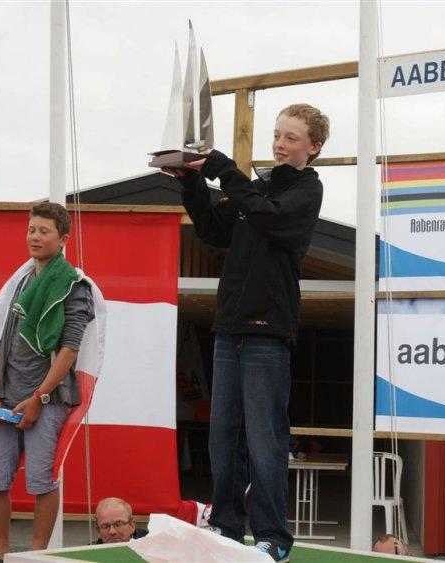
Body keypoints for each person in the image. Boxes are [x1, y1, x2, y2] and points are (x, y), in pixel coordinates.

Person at [163, 103, 329, 563]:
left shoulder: (306, 191)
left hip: (267, 333)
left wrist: (225, 171)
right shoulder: (256, 189)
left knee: (264, 438)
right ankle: (226, 526)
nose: (279, 144)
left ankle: (274, 536)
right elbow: (215, 230)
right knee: (223, 436)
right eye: (277, 135)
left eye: (291, 137)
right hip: (229, 327)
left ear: (313, 147)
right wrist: (194, 184)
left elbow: (269, 217)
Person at [0, 203, 96, 563]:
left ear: (63, 240)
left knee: (42, 482)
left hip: (48, 400)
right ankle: (1, 552)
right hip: (4, 397)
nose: (34, 237)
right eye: (31, 230)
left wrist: (38, 398)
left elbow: (70, 349)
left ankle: (36, 556)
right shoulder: (20, 280)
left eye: (43, 231)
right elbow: (0, 338)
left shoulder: (75, 285)